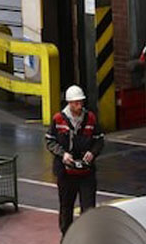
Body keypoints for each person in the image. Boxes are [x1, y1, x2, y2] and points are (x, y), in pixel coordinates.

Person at [45, 85, 105, 234]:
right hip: (66, 174)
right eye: (76, 103)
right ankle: (67, 238)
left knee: (88, 209)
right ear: (69, 103)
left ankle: (88, 238)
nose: (79, 106)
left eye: (81, 102)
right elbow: (50, 141)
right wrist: (62, 154)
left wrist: (92, 152)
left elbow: (99, 140)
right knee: (66, 207)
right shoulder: (58, 119)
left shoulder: (90, 118)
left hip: (86, 173)